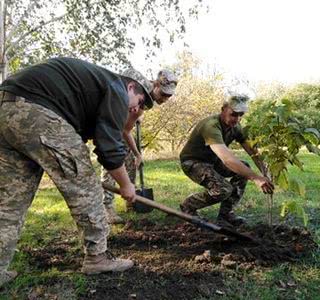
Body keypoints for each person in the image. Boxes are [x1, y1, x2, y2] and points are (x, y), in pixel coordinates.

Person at [0, 57, 154, 287]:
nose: (137, 109)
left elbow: (88, 134)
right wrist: (126, 184)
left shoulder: (94, 88)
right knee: (86, 187)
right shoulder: (117, 88)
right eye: (140, 102)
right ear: (131, 86)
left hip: (7, 107)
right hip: (37, 111)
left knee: (10, 201)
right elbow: (109, 146)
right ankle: (97, 258)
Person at [179, 94, 274, 226]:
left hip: (213, 161)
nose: (237, 119)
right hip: (193, 162)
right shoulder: (211, 126)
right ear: (223, 109)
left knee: (244, 168)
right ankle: (188, 205)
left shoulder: (236, 127)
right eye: (234, 114)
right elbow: (227, 159)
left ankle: (226, 215)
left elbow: (252, 152)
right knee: (223, 189)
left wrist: (265, 173)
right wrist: (255, 178)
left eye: (241, 115)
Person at [101, 69, 178, 224]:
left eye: (169, 96)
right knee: (112, 167)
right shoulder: (139, 90)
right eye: (163, 94)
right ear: (155, 84)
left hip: (119, 128)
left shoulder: (145, 95)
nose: (165, 99)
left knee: (130, 165)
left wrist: (134, 154)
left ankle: (131, 201)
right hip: (111, 131)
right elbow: (125, 131)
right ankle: (107, 207)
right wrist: (138, 153)